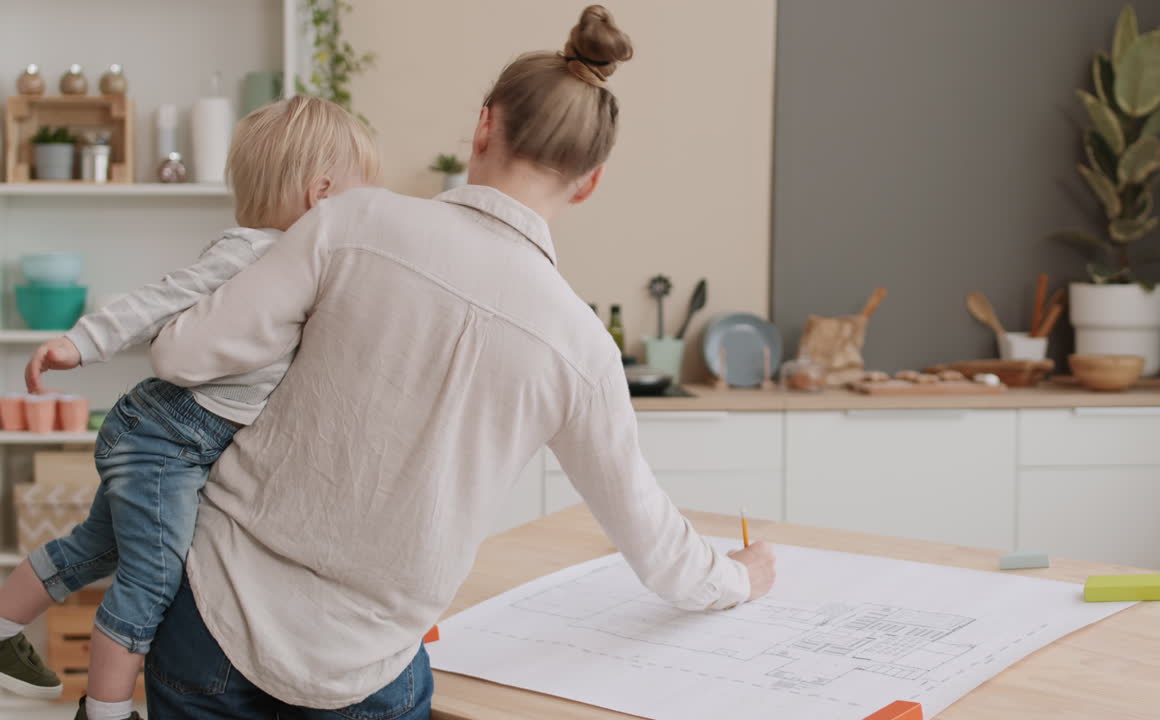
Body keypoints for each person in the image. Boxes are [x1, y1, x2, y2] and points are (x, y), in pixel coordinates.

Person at [143, 5, 777, 718]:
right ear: (590, 180)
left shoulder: (352, 222)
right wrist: (735, 578)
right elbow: (651, 538)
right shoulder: (582, 348)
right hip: (370, 671)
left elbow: (181, 352)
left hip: (214, 618)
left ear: (484, 125)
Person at [0, 96, 377, 720]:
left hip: (165, 434)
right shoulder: (253, 252)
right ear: (322, 197)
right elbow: (159, 298)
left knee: (96, 547)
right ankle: (106, 712)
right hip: (165, 439)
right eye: (361, 201)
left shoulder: (304, 264)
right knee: (151, 581)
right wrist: (79, 342)